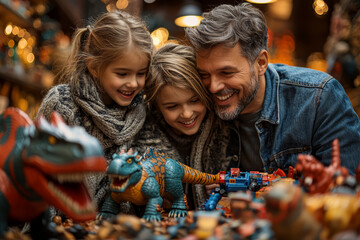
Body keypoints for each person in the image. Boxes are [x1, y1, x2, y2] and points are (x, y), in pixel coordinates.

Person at [185, 2, 360, 174]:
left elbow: (345, 191)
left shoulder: (320, 97)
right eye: (205, 74)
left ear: (261, 63)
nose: (213, 87)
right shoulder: (195, 105)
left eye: (226, 73)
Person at [36, 10, 153, 212]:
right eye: (122, 73)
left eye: (141, 73)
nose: (133, 83)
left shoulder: (141, 114)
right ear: (94, 67)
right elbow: (36, 169)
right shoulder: (61, 104)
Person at [132, 43, 232, 209]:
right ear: (156, 106)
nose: (186, 114)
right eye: (172, 106)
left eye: (194, 100)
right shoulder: (142, 144)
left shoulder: (226, 128)